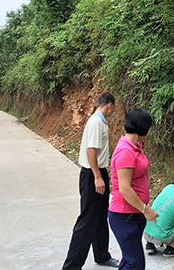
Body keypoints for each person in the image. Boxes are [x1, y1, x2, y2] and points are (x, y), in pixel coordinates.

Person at [62, 92, 118, 269]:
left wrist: (101, 174)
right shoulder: (95, 122)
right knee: (87, 220)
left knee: (101, 217)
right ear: (109, 105)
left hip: (100, 171)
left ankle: (102, 255)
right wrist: (97, 177)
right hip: (92, 175)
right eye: (113, 107)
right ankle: (71, 266)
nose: (114, 110)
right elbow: (90, 150)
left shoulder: (100, 121)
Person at [108, 108, 158, 270]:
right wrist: (145, 209)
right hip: (124, 216)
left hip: (133, 215)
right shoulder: (125, 151)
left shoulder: (134, 146)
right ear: (143, 129)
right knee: (135, 263)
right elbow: (124, 188)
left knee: (129, 260)